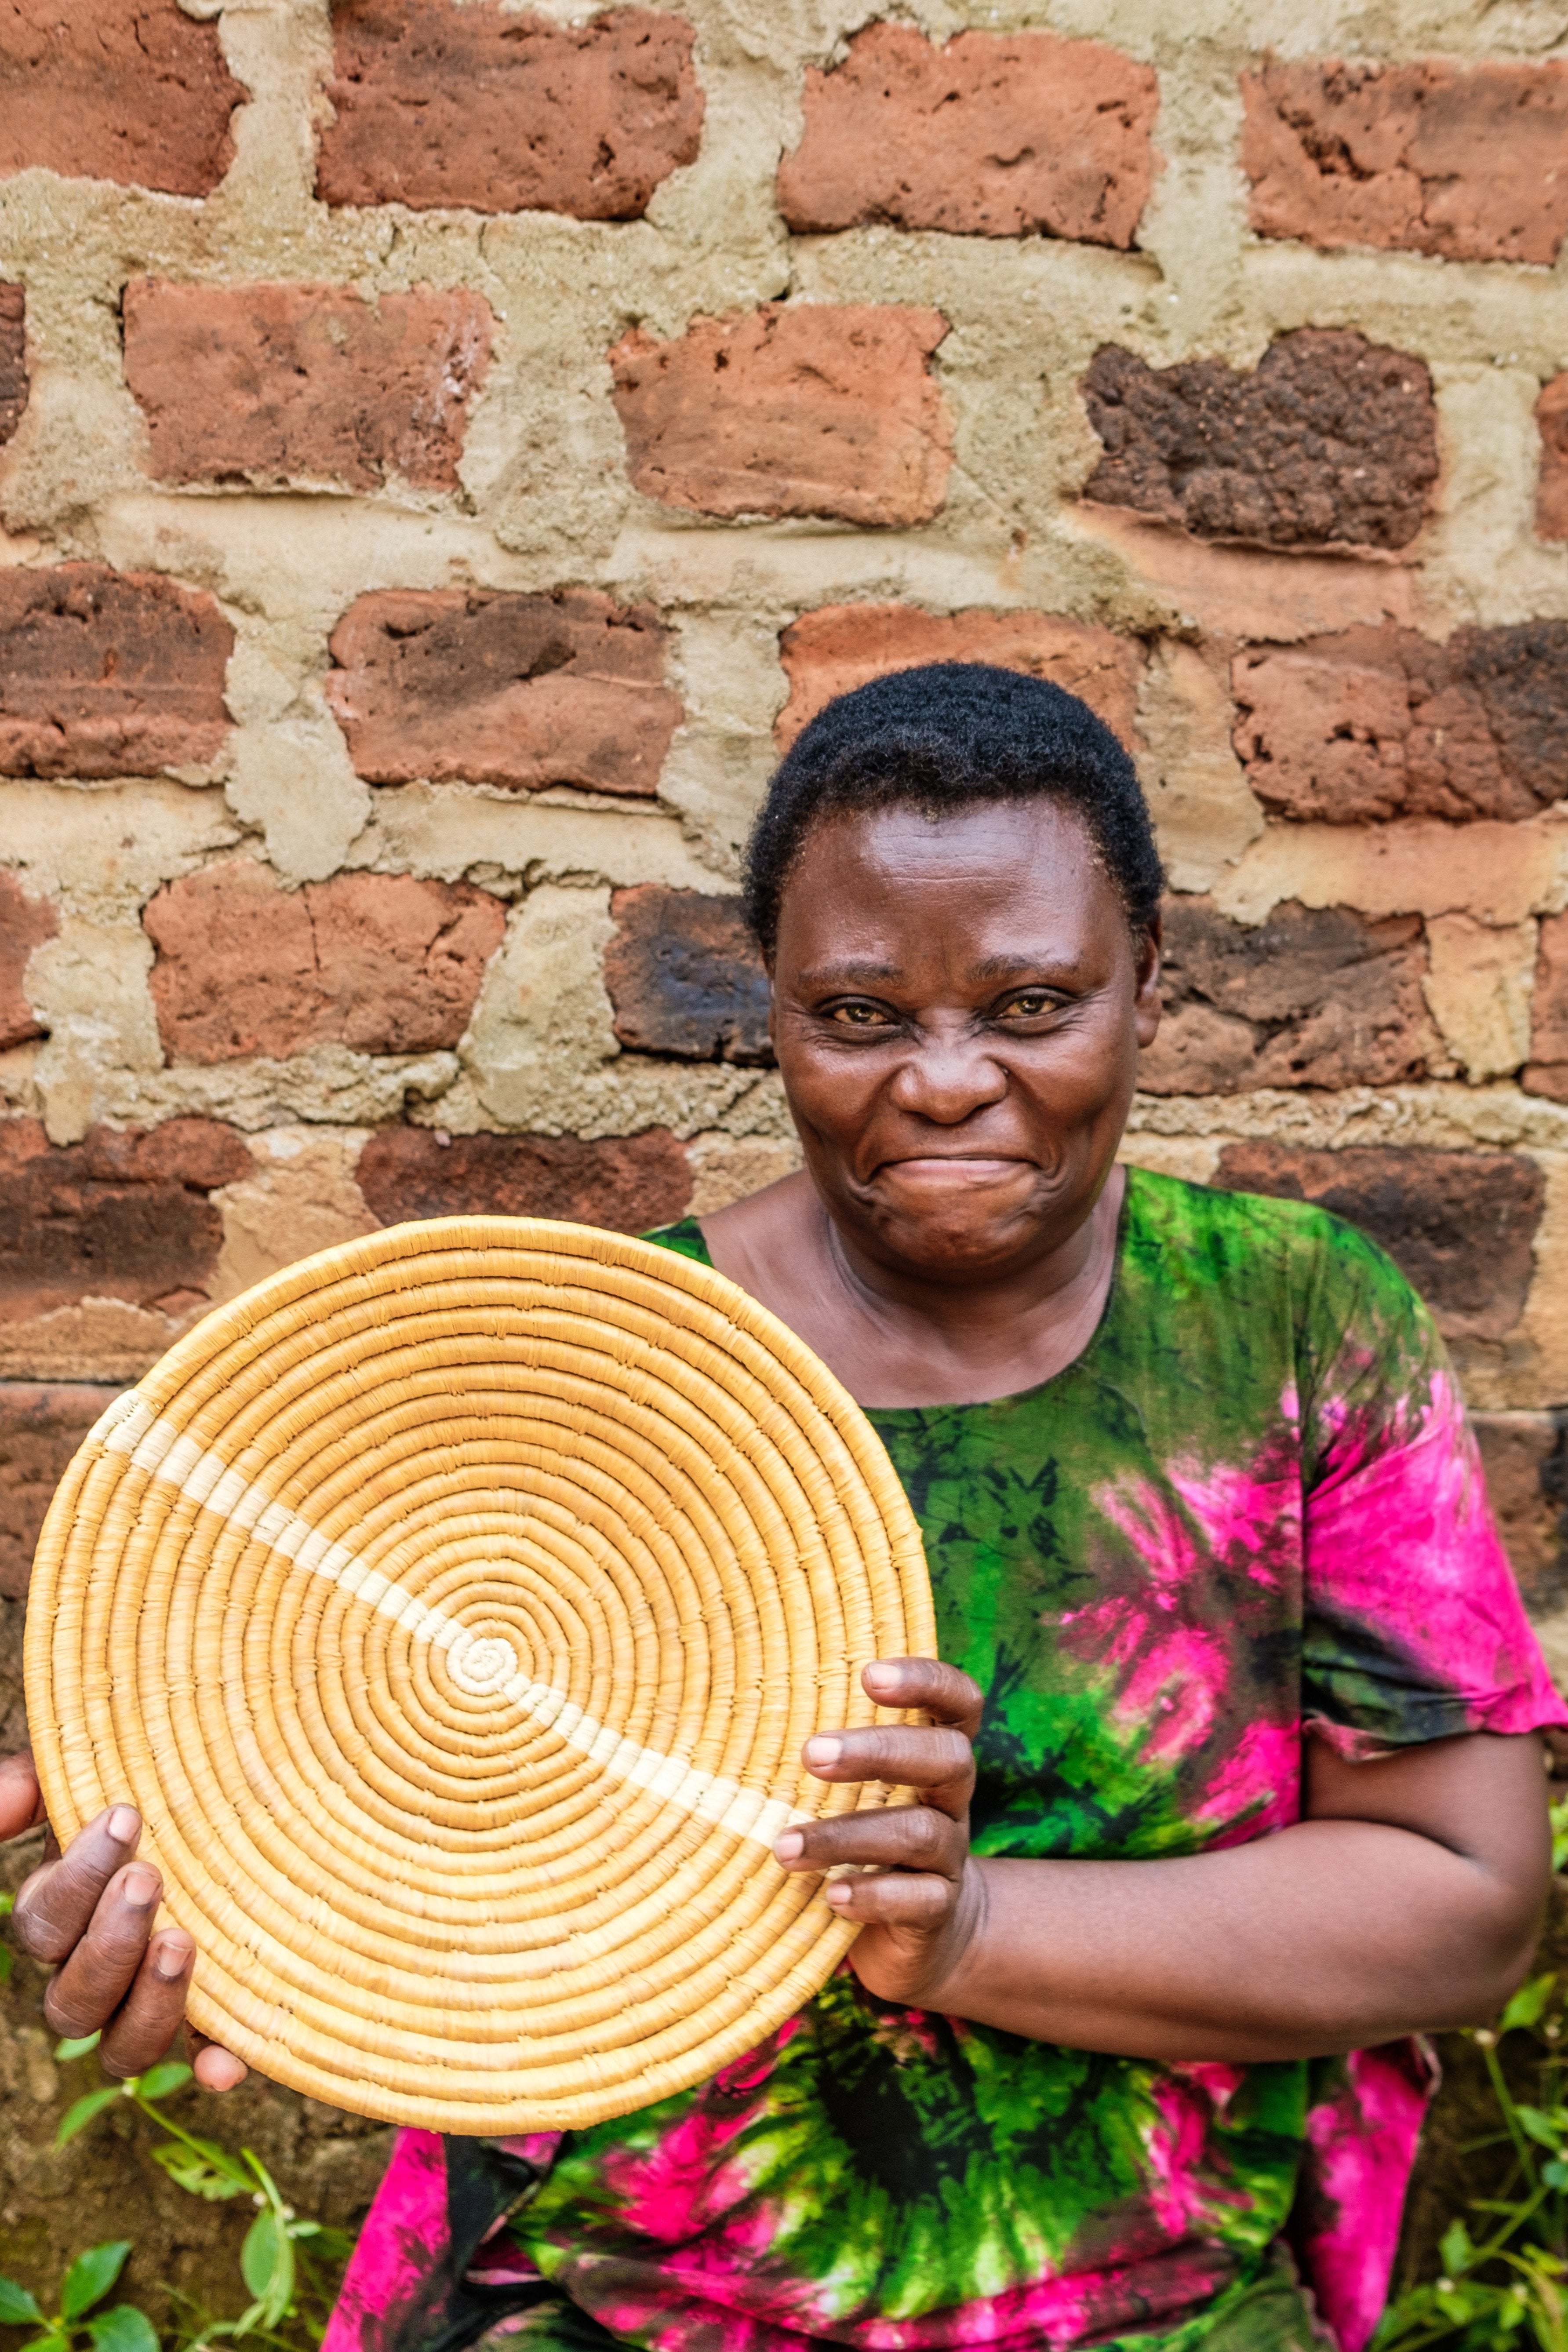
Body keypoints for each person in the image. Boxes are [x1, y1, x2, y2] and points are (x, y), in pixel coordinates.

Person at [6, 664, 1563, 2352]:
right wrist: (235, 1930)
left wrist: (965, 1929)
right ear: (775, 1011)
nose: (949, 1079)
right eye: (862, 1014)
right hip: (612, 2302)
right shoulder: (605, 1364)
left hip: (1159, 2306)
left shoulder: (1289, 1330)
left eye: (1033, 1004)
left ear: (1149, 987)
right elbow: (391, 1804)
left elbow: (1464, 1904)